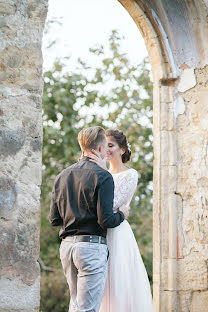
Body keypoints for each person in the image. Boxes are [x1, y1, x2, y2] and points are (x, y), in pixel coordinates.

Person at [48, 126, 129, 312]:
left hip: (67, 248)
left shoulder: (62, 176)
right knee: (86, 309)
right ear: (100, 148)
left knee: (76, 307)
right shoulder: (103, 176)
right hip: (91, 248)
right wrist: (123, 214)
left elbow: (54, 219)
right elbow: (106, 220)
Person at [86, 129, 154, 312]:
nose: (106, 150)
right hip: (97, 230)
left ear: (122, 149)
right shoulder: (100, 173)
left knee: (117, 279)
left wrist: (100, 170)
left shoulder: (130, 174)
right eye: (104, 145)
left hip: (116, 231)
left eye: (111, 145)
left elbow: (112, 204)